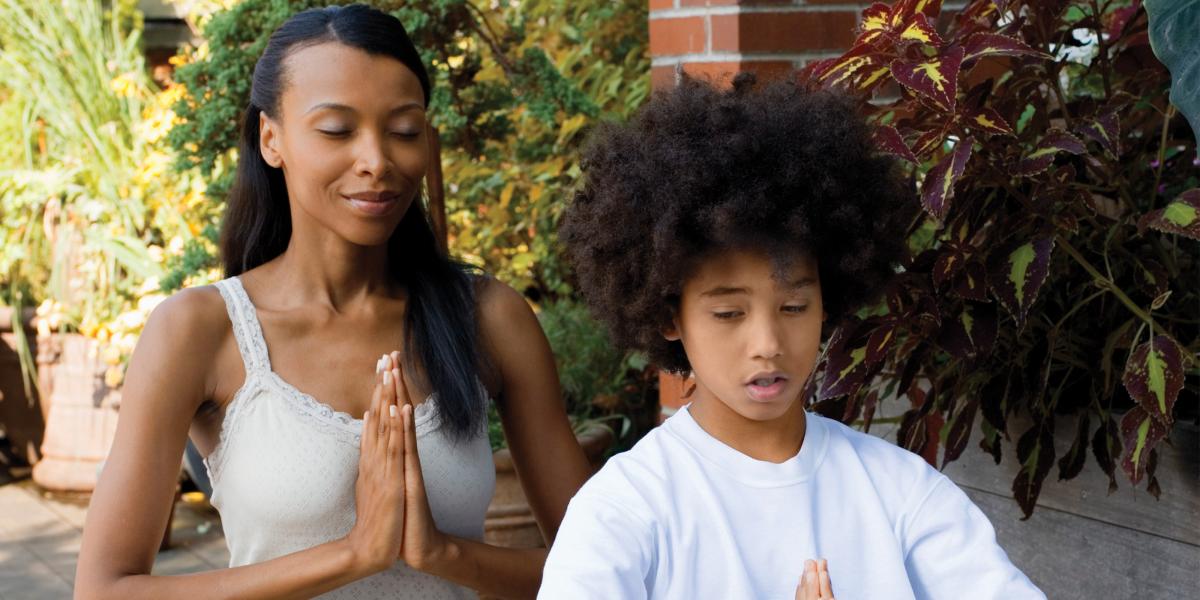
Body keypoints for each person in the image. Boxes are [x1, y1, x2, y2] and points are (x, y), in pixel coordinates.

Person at [75, 5, 591, 599]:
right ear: (272, 138)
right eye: (337, 131)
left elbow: (596, 566)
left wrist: (441, 554)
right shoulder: (200, 332)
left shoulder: (488, 319)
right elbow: (106, 590)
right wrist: (353, 554)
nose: (376, 161)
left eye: (403, 131)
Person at [538, 74, 1045, 599]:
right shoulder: (625, 512)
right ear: (670, 316)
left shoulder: (900, 492)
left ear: (829, 299)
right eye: (730, 313)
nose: (768, 342)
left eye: (794, 306)